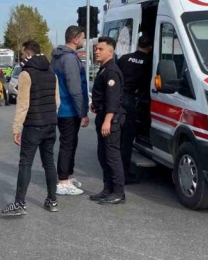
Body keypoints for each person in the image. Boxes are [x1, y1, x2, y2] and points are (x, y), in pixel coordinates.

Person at [1, 40, 61, 216]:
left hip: (33, 125)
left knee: (26, 163)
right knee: (49, 162)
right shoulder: (52, 73)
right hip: (50, 124)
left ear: (28, 54)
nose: (22, 57)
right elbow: (57, 101)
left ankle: (19, 204)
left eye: (22, 54)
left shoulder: (26, 74)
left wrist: (16, 128)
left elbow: (23, 105)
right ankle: (52, 200)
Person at [52, 26, 90, 196]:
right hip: (68, 109)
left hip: (63, 108)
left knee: (71, 143)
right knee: (68, 144)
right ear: (75, 39)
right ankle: (62, 182)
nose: (84, 40)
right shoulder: (69, 59)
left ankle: (68, 176)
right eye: (82, 37)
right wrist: (82, 112)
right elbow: (75, 88)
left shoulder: (59, 57)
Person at [89, 37, 126, 205]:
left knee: (112, 157)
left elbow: (113, 98)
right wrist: (95, 103)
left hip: (111, 120)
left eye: (100, 49)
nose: (96, 51)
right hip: (102, 116)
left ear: (110, 52)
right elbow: (103, 94)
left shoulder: (111, 71)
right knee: (103, 155)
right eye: (96, 49)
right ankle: (107, 189)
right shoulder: (103, 69)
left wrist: (108, 121)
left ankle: (118, 193)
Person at [117, 35, 153, 184]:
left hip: (118, 100)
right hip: (132, 101)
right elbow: (148, 85)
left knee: (117, 139)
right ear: (150, 48)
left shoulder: (124, 58)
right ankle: (124, 174)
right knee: (127, 141)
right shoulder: (149, 62)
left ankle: (114, 171)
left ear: (137, 44)